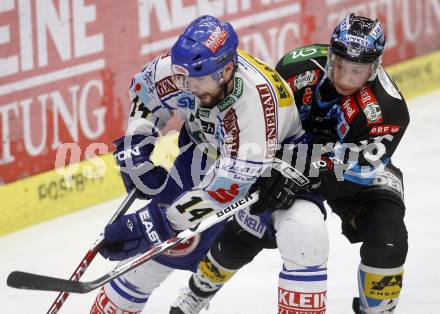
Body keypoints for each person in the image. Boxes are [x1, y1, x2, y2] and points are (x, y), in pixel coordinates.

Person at [90, 15, 329, 314]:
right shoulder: (186, 72)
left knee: (305, 236)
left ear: (227, 70)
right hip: (206, 154)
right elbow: (146, 92)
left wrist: (155, 223)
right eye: (183, 79)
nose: (187, 88)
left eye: (198, 81)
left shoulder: (254, 104)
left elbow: (226, 188)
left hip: (281, 168)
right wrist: (137, 146)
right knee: (145, 264)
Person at [174, 13, 409, 314]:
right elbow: (258, 119)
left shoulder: (389, 110)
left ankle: (377, 310)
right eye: (340, 65)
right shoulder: (297, 66)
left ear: (375, 68)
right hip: (285, 156)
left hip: (354, 173)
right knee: (247, 230)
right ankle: (197, 292)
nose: (346, 78)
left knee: (389, 240)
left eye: (357, 70)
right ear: (330, 53)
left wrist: (297, 172)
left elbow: (355, 172)